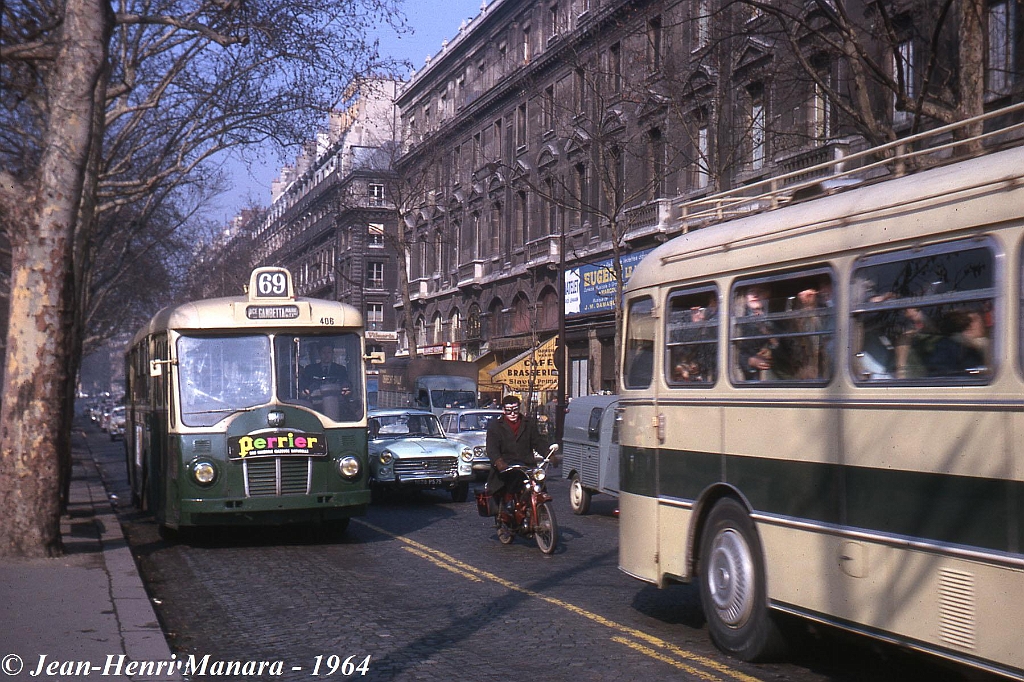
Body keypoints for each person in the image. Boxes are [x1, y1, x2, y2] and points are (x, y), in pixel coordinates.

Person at [485, 394, 550, 515]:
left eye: (515, 410)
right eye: (509, 411)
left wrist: (548, 453)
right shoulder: (495, 426)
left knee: (540, 483)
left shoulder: (528, 423)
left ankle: (541, 513)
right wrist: (498, 461)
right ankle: (508, 503)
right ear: (504, 410)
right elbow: (492, 448)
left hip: (527, 464)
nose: (513, 414)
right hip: (506, 466)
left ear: (520, 408)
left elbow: (538, 442)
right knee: (513, 478)